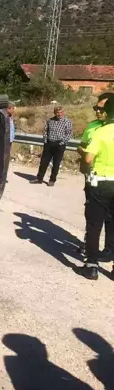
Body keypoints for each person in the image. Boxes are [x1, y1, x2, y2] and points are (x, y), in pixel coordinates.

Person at [78, 97, 114, 280]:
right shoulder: (95, 127)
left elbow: (88, 159)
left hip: (100, 182)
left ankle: (91, 265)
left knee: (94, 224)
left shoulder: (101, 132)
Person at [31, 105, 73, 187]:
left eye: (61, 112)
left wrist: (62, 143)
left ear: (63, 112)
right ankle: (39, 178)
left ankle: (52, 180)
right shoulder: (50, 120)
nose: (59, 114)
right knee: (43, 162)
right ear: (55, 113)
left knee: (56, 163)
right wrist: (46, 141)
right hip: (49, 144)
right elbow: (45, 131)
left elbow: (69, 134)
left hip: (59, 144)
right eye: (57, 112)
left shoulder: (67, 122)